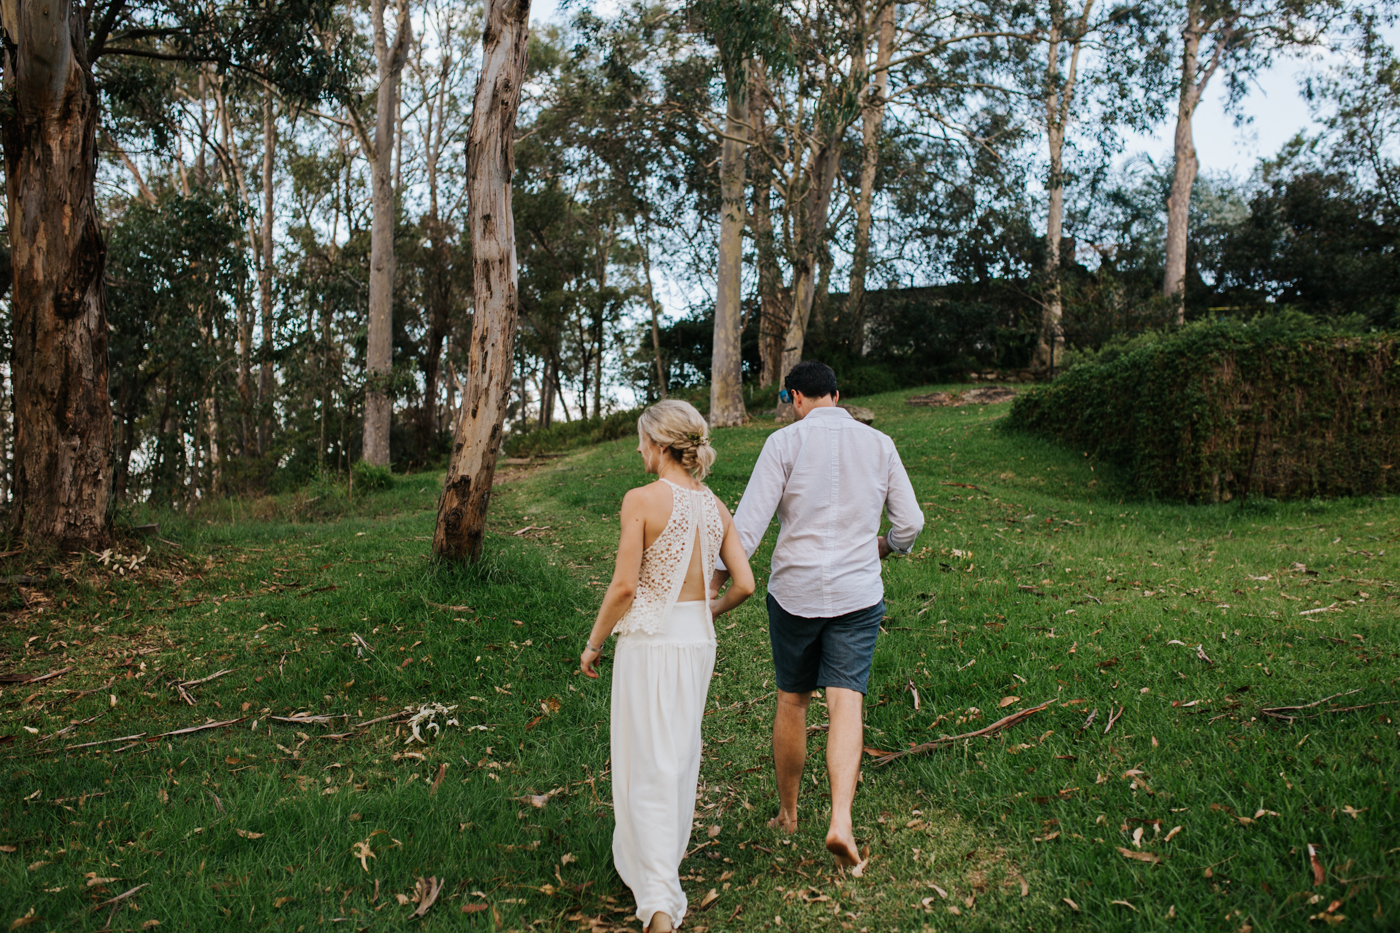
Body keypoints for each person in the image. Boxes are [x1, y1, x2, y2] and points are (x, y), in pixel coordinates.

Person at [710, 360, 924, 869]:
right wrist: (887, 546)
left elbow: (747, 528)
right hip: (857, 594)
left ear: (795, 398)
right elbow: (910, 522)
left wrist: (712, 586)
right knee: (845, 702)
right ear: (836, 394)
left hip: (795, 595)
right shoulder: (880, 445)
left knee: (794, 701)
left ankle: (787, 814)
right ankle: (841, 820)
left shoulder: (784, 444)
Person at [580, 399, 756, 933]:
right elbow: (744, 584)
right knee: (678, 757)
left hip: (651, 643)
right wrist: (707, 610)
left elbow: (625, 586)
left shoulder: (641, 499)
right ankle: (658, 870)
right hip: (697, 642)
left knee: (646, 761)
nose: (638, 449)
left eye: (641, 441)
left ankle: (658, 900)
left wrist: (593, 643)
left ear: (658, 444)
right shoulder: (715, 505)